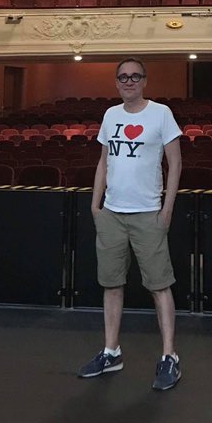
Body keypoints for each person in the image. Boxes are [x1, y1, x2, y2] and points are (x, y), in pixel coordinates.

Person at [77, 57, 183, 391]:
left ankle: (169, 356)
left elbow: (175, 162)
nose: (129, 81)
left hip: (148, 212)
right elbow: (103, 161)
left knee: (159, 285)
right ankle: (111, 351)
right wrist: (96, 204)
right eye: (123, 77)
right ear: (117, 81)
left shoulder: (161, 114)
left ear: (145, 81)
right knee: (111, 283)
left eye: (135, 76)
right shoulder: (111, 115)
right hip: (112, 213)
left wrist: (167, 209)